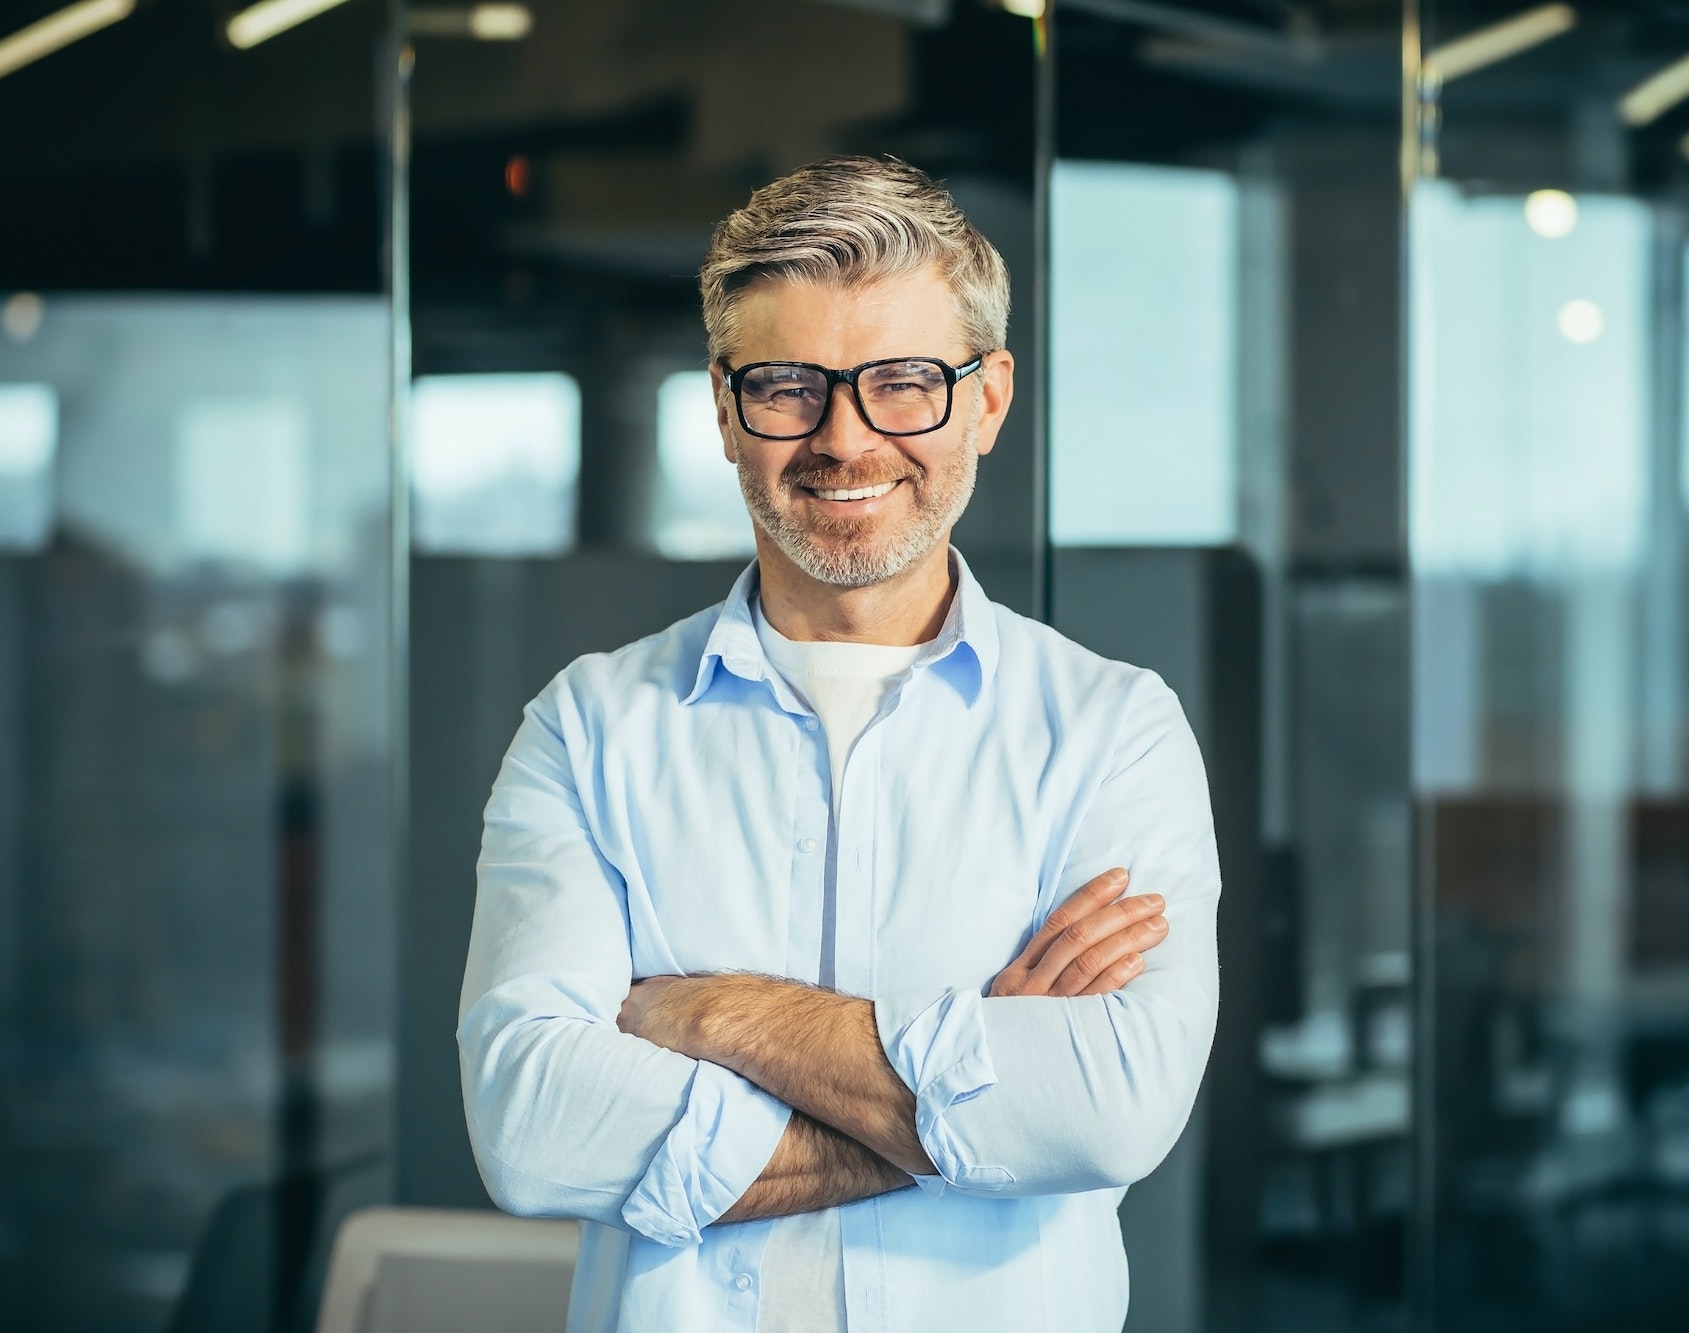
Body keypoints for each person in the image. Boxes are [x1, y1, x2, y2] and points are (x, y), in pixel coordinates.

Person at [458, 155, 1220, 1333]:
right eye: (786, 386)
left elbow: (1110, 1107)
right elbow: (531, 1129)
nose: (845, 438)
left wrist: (722, 1016)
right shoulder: (592, 726)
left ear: (988, 397)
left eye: (904, 382)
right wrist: (977, 1087)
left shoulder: (1112, 730)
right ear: (722, 408)